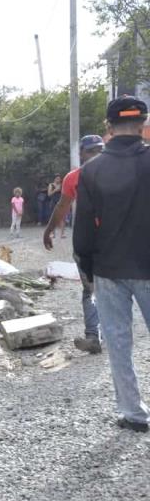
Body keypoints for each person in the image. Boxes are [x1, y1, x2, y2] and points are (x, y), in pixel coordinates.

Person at [74, 95, 150, 433]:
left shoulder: (91, 171)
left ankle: (133, 414)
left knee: (119, 342)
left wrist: (86, 269)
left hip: (108, 268)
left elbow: (84, 227)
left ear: (108, 128)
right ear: (143, 124)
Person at [44, 134, 105, 354]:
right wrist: (49, 230)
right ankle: (106, 336)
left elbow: (62, 206)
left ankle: (94, 336)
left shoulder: (75, 177)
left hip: (88, 242)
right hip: (113, 242)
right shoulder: (119, 172)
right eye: (94, 151)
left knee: (92, 292)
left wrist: (49, 230)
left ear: (81, 153)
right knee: (110, 290)